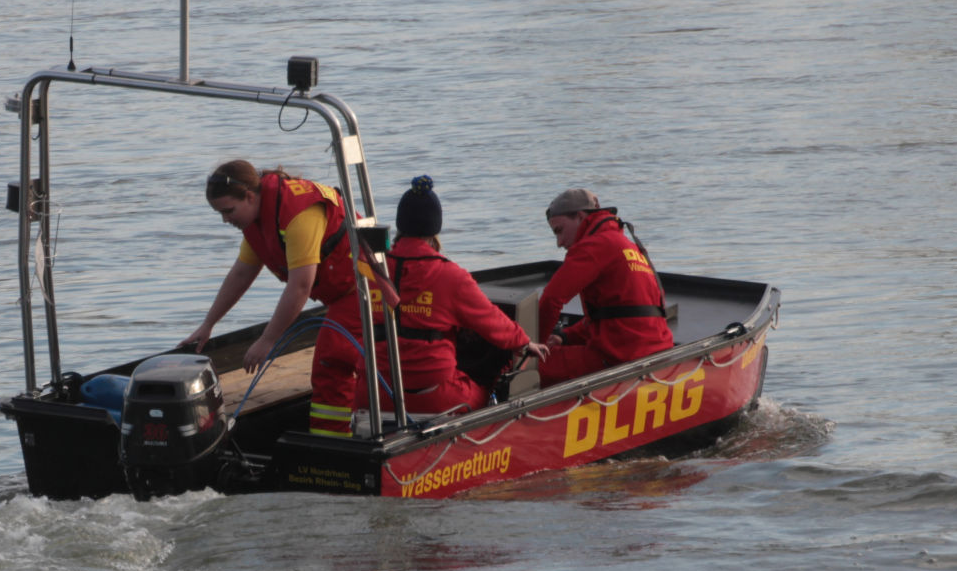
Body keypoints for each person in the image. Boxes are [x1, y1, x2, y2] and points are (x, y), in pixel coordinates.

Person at [185, 159, 372, 437]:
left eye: (228, 211)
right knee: (340, 357)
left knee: (333, 359)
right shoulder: (258, 218)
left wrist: (267, 340)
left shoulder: (298, 215)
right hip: (339, 293)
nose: (225, 220)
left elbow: (300, 286)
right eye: (220, 214)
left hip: (364, 286)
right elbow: (241, 274)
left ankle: (334, 441)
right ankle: (336, 433)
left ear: (249, 196)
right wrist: (208, 324)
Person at [370, 176, 537, 416]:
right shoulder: (450, 276)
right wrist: (524, 342)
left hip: (375, 394)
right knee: (488, 393)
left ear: (400, 224)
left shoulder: (372, 272)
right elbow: (491, 321)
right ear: (435, 228)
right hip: (434, 397)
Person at [534, 186, 673, 386]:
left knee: (521, 366)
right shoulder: (628, 246)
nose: (559, 242)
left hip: (620, 358)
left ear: (580, 217)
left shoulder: (593, 245)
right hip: (658, 351)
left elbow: (551, 300)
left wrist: (531, 346)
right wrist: (565, 337)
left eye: (559, 230)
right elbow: (617, 316)